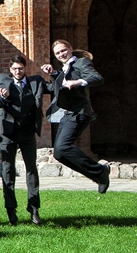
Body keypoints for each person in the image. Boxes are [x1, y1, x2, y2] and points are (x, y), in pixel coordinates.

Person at [41, 40, 108, 193]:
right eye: (57, 53)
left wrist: (78, 82)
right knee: (59, 153)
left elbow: (97, 79)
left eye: (63, 50)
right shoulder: (64, 70)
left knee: (63, 146)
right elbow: (59, 89)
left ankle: (99, 171)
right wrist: (53, 74)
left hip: (79, 113)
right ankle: (98, 174)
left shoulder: (81, 62)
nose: (61, 55)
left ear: (70, 49)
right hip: (66, 114)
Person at [0, 55, 50, 225]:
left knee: (31, 169)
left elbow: (53, 87)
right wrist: (0, 96)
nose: (18, 71)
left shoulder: (36, 81)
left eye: (21, 68)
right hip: (8, 133)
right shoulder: (2, 80)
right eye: (15, 68)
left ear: (25, 69)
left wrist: (53, 74)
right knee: (7, 170)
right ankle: (11, 209)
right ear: (10, 70)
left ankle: (34, 209)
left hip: (27, 132)